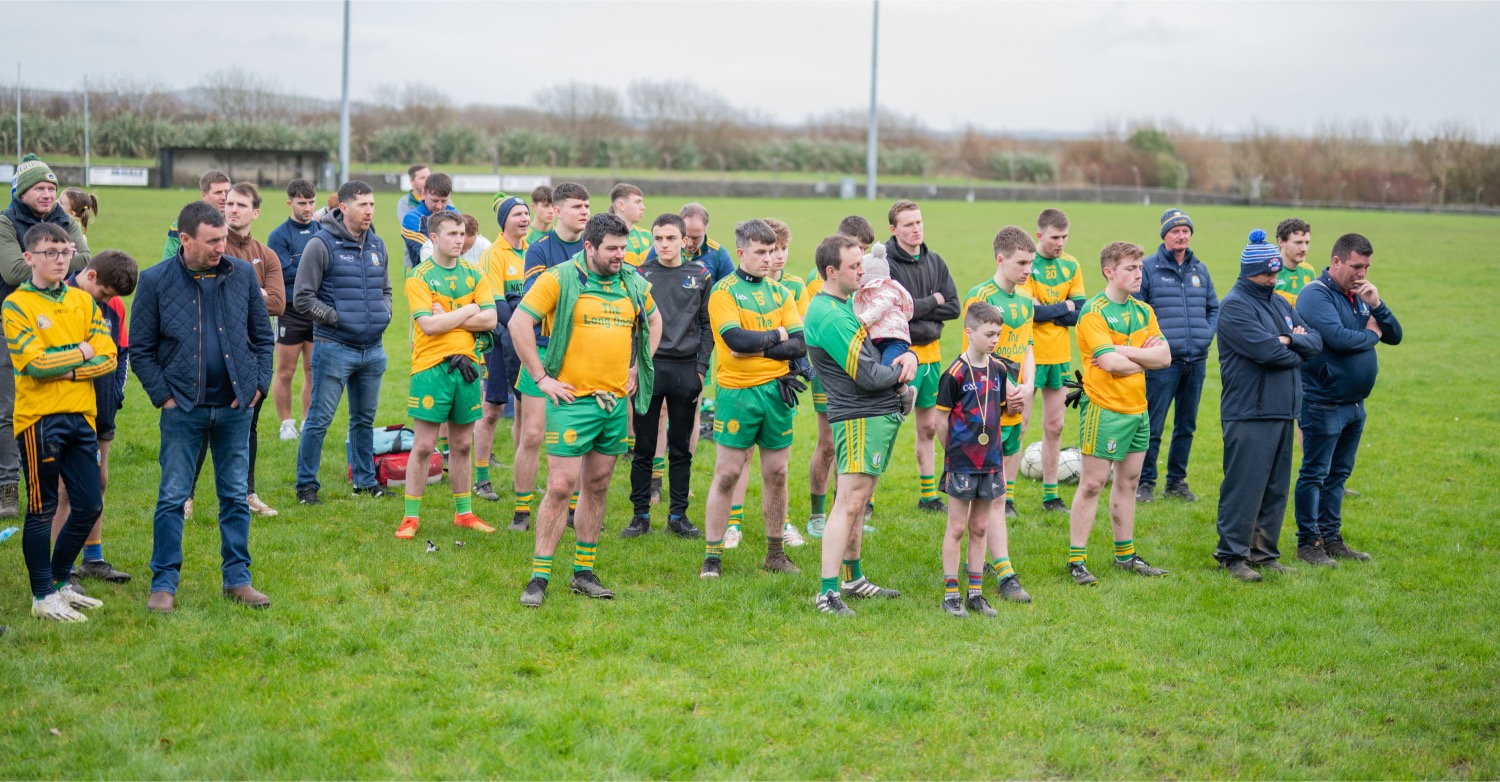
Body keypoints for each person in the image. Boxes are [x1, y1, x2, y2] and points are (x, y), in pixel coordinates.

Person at [510, 213, 661, 607]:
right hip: (571, 401)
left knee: (598, 485)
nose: (620, 255)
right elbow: (519, 324)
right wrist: (541, 378)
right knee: (561, 486)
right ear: (589, 247)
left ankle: (583, 572)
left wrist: (638, 366)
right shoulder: (560, 277)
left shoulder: (632, 282)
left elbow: (655, 319)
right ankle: (539, 577)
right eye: (612, 248)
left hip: (613, 403)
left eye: (623, 247)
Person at [131, 201, 275, 613]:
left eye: (224, 238)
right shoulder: (154, 280)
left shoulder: (242, 274)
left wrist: (257, 387)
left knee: (234, 496)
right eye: (212, 241)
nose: (221, 247)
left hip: (235, 408)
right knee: (172, 498)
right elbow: (140, 350)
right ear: (185, 238)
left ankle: (238, 580)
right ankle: (163, 584)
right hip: (182, 410)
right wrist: (165, 397)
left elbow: (262, 338)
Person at [6, 223, 117, 621]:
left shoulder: (83, 302)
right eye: (49, 252)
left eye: (65, 251)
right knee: (42, 508)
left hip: (81, 416)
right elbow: (34, 365)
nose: (59, 259)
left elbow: (108, 357)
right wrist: (82, 351)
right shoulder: (16, 305)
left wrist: (68, 367)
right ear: (29, 258)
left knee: (89, 504)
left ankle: (57, 582)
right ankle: (42, 595)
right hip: (39, 420)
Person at [805, 234, 912, 615]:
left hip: (871, 416)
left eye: (862, 264)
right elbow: (867, 375)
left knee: (858, 500)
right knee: (848, 502)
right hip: (858, 419)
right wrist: (905, 368)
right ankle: (827, 593)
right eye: (853, 266)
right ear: (831, 271)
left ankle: (852, 579)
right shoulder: (830, 316)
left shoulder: (843, 305)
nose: (862, 272)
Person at [1213, 230, 1324, 581]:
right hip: (1249, 411)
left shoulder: (1279, 303)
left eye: (1275, 271)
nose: (1273, 278)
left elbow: (1315, 341)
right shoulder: (1234, 306)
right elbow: (1267, 352)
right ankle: (1232, 556)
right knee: (1244, 488)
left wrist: (1288, 339)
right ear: (1249, 271)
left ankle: (1264, 553)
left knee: (1275, 489)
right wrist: (1293, 347)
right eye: (1266, 272)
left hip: (1282, 409)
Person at [698, 219, 807, 579]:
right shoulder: (723, 292)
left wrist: (760, 347)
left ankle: (775, 554)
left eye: (772, 251)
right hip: (737, 394)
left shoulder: (781, 292)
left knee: (777, 472)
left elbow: (800, 344)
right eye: (761, 252)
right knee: (728, 473)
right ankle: (712, 556)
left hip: (776, 391)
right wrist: (777, 335)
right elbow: (735, 341)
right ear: (741, 253)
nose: (769, 258)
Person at [1067, 241, 1172, 586]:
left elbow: (1165, 358)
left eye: (1140, 267)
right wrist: (1141, 357)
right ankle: (1077, 560)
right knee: (1092, 484)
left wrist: (1121, 350)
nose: (1139, 274)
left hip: (1138, 409)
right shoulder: (1094, 312)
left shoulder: (1144, 311)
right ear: (1109, 272)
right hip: (1104, 409)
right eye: (1131, 268)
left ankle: (1125, 556)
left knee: (1129, 482)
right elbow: (1110, 365)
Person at [1294, 233, 1401, 565]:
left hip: (1354, 404)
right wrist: (1371, 333)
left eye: (1367, 267)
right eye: (1356, 266)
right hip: (1323, 401)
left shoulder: (1360, 295)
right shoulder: (1315, 294)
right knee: (1315, 474)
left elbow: (1396, 335)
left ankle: (1331, 538)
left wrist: (1378, 306)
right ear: (1336, 261)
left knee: (1338, 474)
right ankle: (1308, 543)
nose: (1362, 274)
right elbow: (1339, 340)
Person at [183, 183, 285, 518]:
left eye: (241, 205)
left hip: (250, 356)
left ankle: (247, 494)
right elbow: (203, 296)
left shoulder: (266, 255)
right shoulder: (211, 250)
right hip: (209, 354)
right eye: (228, 203)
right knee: (199, 426)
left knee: (247, 427)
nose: (232, 209)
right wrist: (256, 293)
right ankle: (185, 497)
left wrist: (246, 295)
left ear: (255, 212)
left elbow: (279, 303)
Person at [395, 210, 498, 540]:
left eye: (462, 233)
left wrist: (450, 315)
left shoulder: (475, 273)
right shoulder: (419, 276)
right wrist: (470, 310)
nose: (459, 240)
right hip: (430, 368)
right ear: (434, 238)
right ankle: (410, 518)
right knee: (425, 445)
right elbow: (428, 325)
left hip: (467, 367)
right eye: (452, 234)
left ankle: (464, 514)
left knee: (463, 444)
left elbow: (491, 319)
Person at [0, 154, 92, 518]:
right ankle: (7, 486)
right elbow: (12, 270)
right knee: (10, 408)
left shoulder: (65, 219)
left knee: (56, 402)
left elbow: (87, 258)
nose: (47, 194)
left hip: (61, 321)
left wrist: (45, 260)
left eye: (52, 188)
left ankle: (48, 480)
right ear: (22, 192)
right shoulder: (6, 222)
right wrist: (63, 257)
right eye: (39, 187)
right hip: (14, 322)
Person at [292, 181, 393, 505]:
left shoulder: (377, 244)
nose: (369, 211)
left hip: (373, 350)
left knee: (364, 421)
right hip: (334, 348)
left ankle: (365, 481)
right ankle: (306, 486)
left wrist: (385, 313)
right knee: (319, 421)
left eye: (372, 204)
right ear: (344, 208)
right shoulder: (320, 244)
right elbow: (302, 297)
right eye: (363, 205)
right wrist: (334, 318)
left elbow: (386, 290)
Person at [935, 302, 1030, 618]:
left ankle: (975, 594)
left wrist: (1015, 405)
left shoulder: (999, 370)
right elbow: (940, 421)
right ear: (969, 333)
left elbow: (1002, 410)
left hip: (991, 462)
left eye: (998, 334)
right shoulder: (954, 374)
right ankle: (951, 595)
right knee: (957, 527)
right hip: (961, 463)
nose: (995, 340)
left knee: (979, 527)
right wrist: (954, 453)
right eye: (989, 334)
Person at [624, 213, 710, 539]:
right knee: (644, 446)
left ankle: (678, 516)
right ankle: (640, 515)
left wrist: (701, 369)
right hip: (650, 368)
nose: (663, 244)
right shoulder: (640, 275)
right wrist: (634, 366)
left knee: (680, 448)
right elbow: (631, 325)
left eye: (671, 238)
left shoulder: (700, 275)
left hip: (686, 369)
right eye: (658, 238)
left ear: (684, 240)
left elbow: (707, 326)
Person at [56, 250, 138, 584]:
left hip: (102, 411)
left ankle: (93, 558)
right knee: (65, 489)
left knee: (99, 481)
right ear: (91, 276)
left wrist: (115, 394)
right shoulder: (59, 300)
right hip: (68, 410)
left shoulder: (114, 304)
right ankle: (62, 567)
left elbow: (121, 353)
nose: (106, 300)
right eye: (104, 293)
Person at [513, 182, 592, 529]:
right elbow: (537, 299)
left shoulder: (593, 247)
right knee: (532, 434)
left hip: (583, 351)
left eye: (587, 206)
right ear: (558, 211)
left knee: (579, 434)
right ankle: (522, 510)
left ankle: (574, 509)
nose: (584, 212)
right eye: (577, 206)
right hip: (544, 350)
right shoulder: (539, 249)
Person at [1135, 208, 1218, 504]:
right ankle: (1145, 482)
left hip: (1196, 361)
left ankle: (1176, 482)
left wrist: (1205, 335)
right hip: (1162, 363)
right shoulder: (1148, 268)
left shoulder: (1200, 270)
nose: (1182, 236)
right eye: (1175, 231)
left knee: (1186, 425)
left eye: (1186, 231)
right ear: (1164, 236)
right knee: (1153, 424)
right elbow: (1139, 309)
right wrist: (1154, 345)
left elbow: (1213, 307)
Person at [883, 199, 960, 513]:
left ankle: (928, 497)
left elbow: (953, 306)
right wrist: (932, 301)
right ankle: (867, 500)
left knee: (929, 427)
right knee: (885, 426)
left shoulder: (936, 261)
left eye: (918, 222)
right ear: (893, 229)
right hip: (898, 355)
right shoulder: (886, 264)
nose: (916, 229)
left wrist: (917, 308)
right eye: (908, 224)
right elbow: (895, 311)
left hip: (932, 356)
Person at [804, 215, 876, 538]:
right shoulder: (818, 280)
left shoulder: (860, 276)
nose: (862, 261)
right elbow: (818, 325)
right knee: (829, 444)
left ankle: (844, 511)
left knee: (851, 448)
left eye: (865, 251)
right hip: (830, 369)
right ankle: (818, 515)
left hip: (856, 362)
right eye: (857, 249)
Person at [960, 226, 1036, 524]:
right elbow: (972, 354)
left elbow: (1028, 347)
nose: (1028, 270)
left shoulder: (1027, 299)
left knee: (1008, 454)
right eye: (1021, 263)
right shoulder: (980, 296)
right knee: (981, 471)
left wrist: (1028, 385)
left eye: (1031, 263)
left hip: (1016, 395)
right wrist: (1005, 388)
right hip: (986, 397)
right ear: (1001, 260)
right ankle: (973, 528)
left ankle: (1003, 508)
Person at [1025, 208, 1085, 513]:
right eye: (1054, 237)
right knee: (1019, 426)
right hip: (1029, 356)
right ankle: (1006, 498)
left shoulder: (1071, 264)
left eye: (1065, 237)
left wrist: (1052, 310)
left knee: (1055, 426)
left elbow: (1081, 313)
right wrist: (1065, 306)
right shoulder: (1026, 263)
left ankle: (1051, 496)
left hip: (1060, 358)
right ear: (1039, 235)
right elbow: (1030, 312)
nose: (1060, 243)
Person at [472, 197, 529, 503]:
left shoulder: (533, 250)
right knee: (492, 409)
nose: (524, 218)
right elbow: (496, 304)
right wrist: (523, 325)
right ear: (504, 220)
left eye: (526, 213)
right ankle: (481, 479)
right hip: (500, 339)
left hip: (528, 339)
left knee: (526, 410)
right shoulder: (493, 254)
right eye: (517, 214)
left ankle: (524, 478)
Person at [267, 179, 320, 441]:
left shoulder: (322, 230)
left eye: (311, 202)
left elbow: (328, 267)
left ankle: (308, 421)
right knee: (286, 371)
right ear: (290, 203)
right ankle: (286, 424)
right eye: (302, 203)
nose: (307, 208)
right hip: (288, 311)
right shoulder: (279, 236)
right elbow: (283, 273)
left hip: (317, 311)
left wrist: (302, 268)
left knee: (313, 370)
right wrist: (313, 269)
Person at [853, 244, 917, 413]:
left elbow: (880, 306)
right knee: (880, 368)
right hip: (879, 339)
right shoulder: (865, 291)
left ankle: (906, 393)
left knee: (887, 369)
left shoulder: (885, 288)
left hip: (894, 338)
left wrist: (863, 320)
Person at [161, 170, 230, 261]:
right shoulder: (186, 222)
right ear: (204, 195)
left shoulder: (238, 221)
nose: (224, 197)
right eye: (218, 192)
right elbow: (169, 261)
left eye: (227, 192)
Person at [401, 173, 459, 269]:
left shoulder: (455, 215)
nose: (439, 206)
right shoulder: (412, 218)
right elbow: (428, 250)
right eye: (434, 201)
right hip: (424, 274)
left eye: (444, 201)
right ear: (423, 194)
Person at [418, 213, 491, 265]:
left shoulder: (484, 246)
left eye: (470, 247)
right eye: (464, 246)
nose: (465, 251)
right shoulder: (430, 250)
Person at [610, 183, 652, 267]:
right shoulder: (606, 237)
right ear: (621, 205)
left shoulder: (648, 236)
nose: (642, 207)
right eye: (637, 202)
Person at [1274, 218, 1314, 306]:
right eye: (1298, 243)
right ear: (1281, 242)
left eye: (1307, 243)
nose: (1304, 248)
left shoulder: (1309, 271)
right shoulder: (1269, 273)